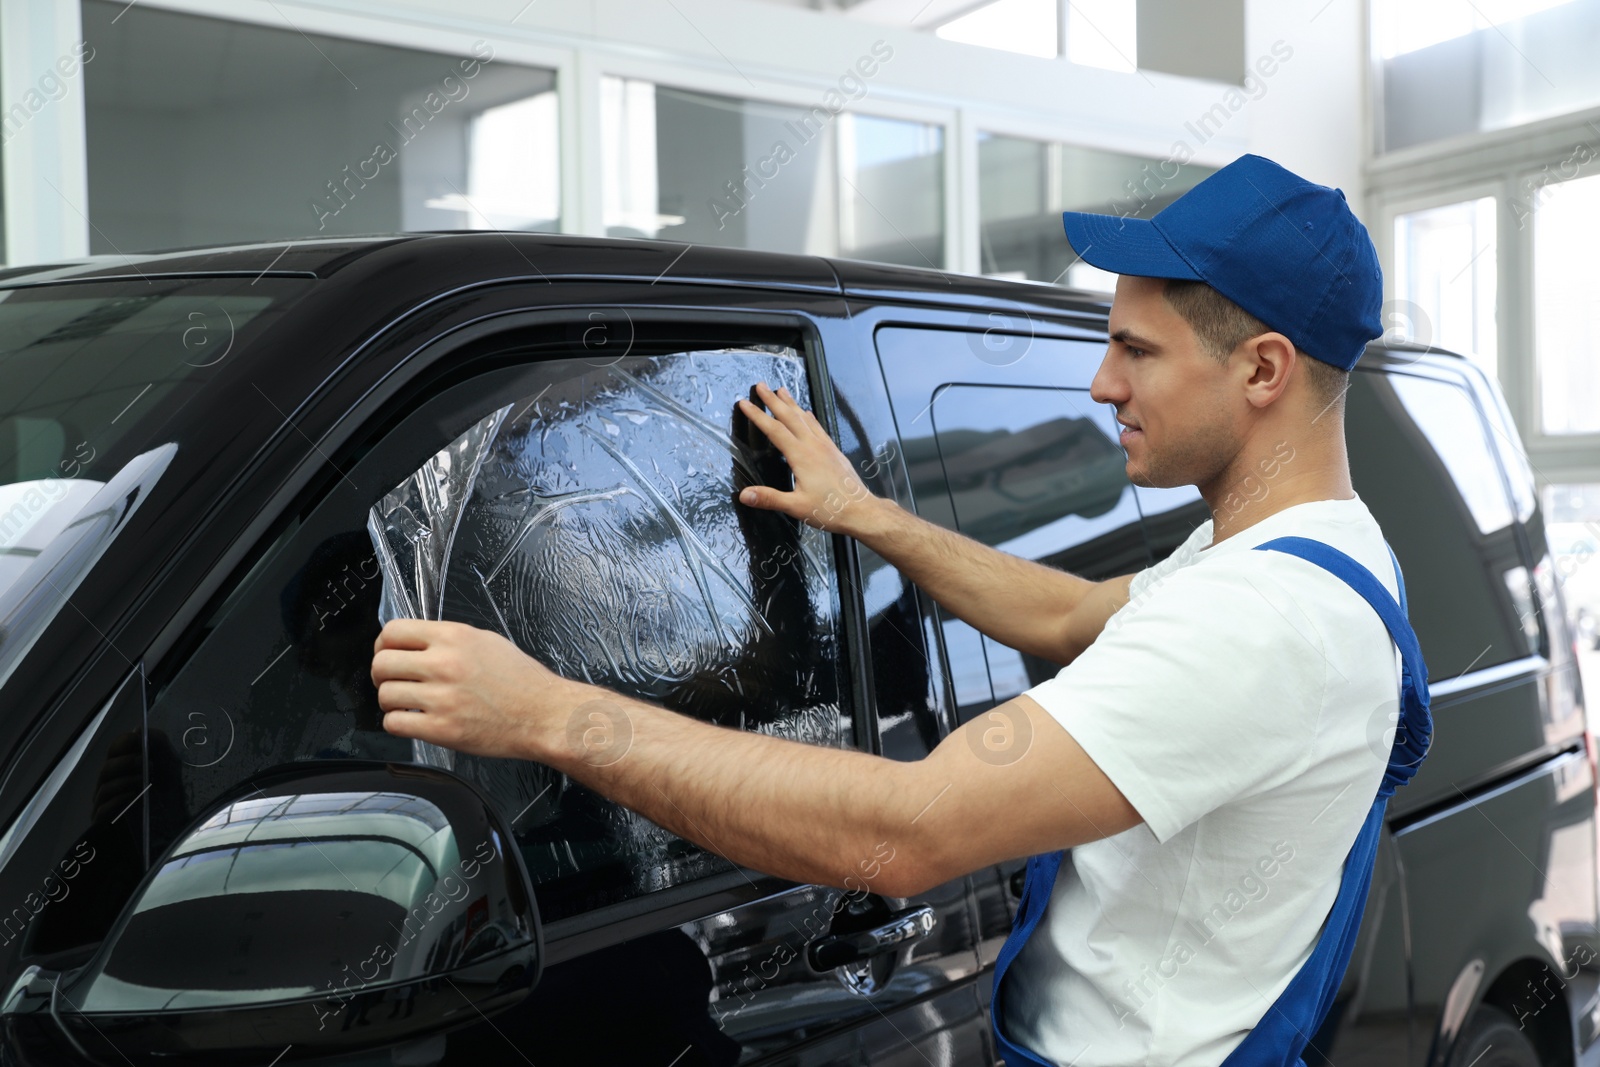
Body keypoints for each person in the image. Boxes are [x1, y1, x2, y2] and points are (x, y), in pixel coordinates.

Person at [369, 153, 1430, 1065]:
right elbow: (1074, 616)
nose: (1101, 385)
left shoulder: (1261, 621)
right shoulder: (1305, 547)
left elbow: (909, 831)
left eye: (1136, 351)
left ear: (1263, 368)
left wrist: (551, 716)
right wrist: (867, 516)